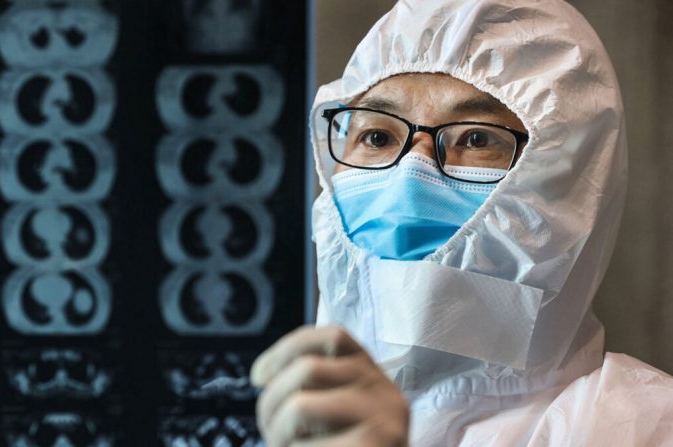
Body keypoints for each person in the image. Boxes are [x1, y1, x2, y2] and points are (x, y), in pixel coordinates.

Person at [250, 0, 673, 446]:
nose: (411, 172)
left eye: (476, 138)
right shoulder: (279, 418)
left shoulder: (642, 426)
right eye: (376, 137)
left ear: (568, 182)